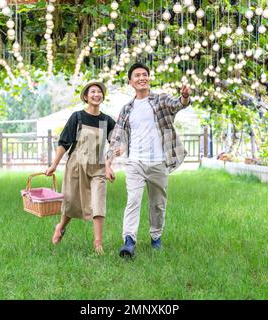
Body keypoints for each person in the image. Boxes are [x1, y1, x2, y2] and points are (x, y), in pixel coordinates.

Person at [105, 62, 192, 258]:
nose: (142, 78)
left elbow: (178, 104)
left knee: (158, 204)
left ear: (149, 78)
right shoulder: (127, 109)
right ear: (130, 82)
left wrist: (185, 96)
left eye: (145, 74)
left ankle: (156, 238)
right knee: (133, 200)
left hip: (158, 162)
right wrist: (108, 162)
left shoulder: (160, 100)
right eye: (137, 75)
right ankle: (129, 241)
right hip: (135, 162)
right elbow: (117, 136)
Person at [45, 81, 116, 255]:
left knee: (98, 202)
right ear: (86, 96)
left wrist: (109, 165)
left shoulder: (106, 121)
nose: (96, 95)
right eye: (92, 92)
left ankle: (98, 244)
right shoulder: (77, 117)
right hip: (76, 166)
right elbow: (64, 142)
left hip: (98, 168)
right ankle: (60, 227)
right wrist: (54, 164)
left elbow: (116, 143)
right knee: (71, 202)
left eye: (99, 92)